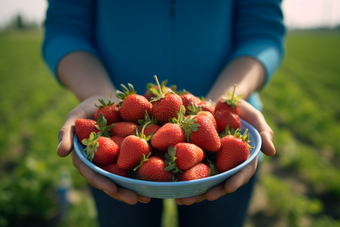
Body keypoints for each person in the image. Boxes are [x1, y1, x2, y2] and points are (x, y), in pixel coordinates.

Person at [43, 0, 285, 226]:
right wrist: (101, 99)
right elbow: (66, 26)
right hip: (117, 158)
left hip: (226, 128)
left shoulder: (218, 136)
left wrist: (227, 100)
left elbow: (262, 29)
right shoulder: (125, 137)